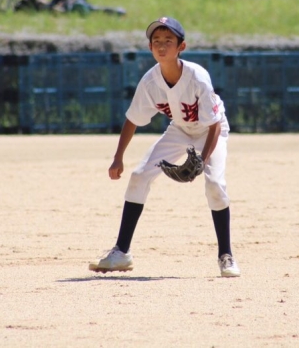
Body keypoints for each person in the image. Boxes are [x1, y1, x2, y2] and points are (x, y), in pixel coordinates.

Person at [89, 17, 240, 278]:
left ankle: (226, 255)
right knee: (139, 176)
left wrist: (202, 160)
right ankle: (121, 252)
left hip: (210, 131)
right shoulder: (150, 81)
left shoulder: (198, 77)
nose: (161, 45)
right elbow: (132, 119)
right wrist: (118, 157)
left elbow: (214, 125)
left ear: (182, 46)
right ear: (149, 47)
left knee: (215, 184)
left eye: (169, 40)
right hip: (179, 130)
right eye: (156, 40)